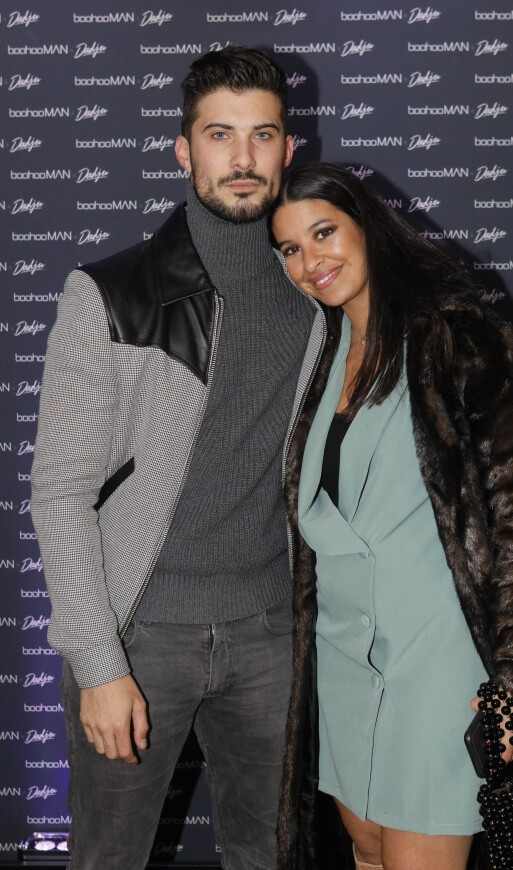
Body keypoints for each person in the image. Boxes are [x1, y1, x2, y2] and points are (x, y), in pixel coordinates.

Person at [30, 48, 328, 870]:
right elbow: (58, 495)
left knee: (271, 857)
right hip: (140, 635)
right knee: (108, 861)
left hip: (271, 633)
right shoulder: (111, 295)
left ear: (287, 150)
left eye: (261, 135)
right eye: (220, 135)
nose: (241, 158)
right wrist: (99, 663)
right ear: (183, 149)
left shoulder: (319, 295)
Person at [270, 163, 513, 870]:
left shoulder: (466, 345)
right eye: (289, 249)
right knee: (369, 851)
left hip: (441, 669)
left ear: (367, 227)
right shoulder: (319, 357)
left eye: (323, 233)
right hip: (343, 666)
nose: (310, 261)